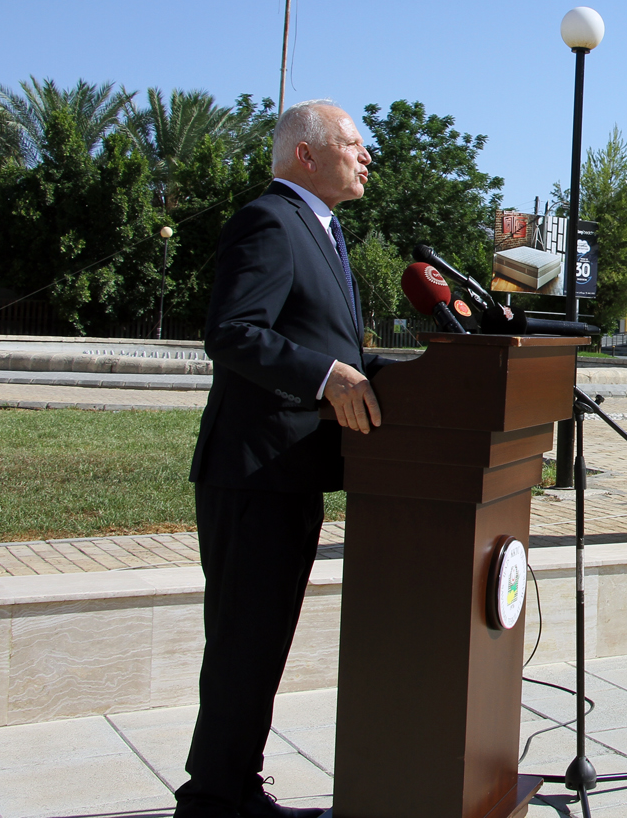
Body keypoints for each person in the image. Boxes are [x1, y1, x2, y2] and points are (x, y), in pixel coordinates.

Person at [174, 100, 388, 818]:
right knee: (243, 645)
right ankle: (212, 799)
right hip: (254, 474)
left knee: (260, 646)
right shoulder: (269, 220)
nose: (366, 156)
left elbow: (332, 345)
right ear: (307, 154)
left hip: (291, 475)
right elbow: (233, 332)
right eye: (353, 143)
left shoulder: (322, 229)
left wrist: (420, 373)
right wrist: (327, 376)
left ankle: (237, 789)